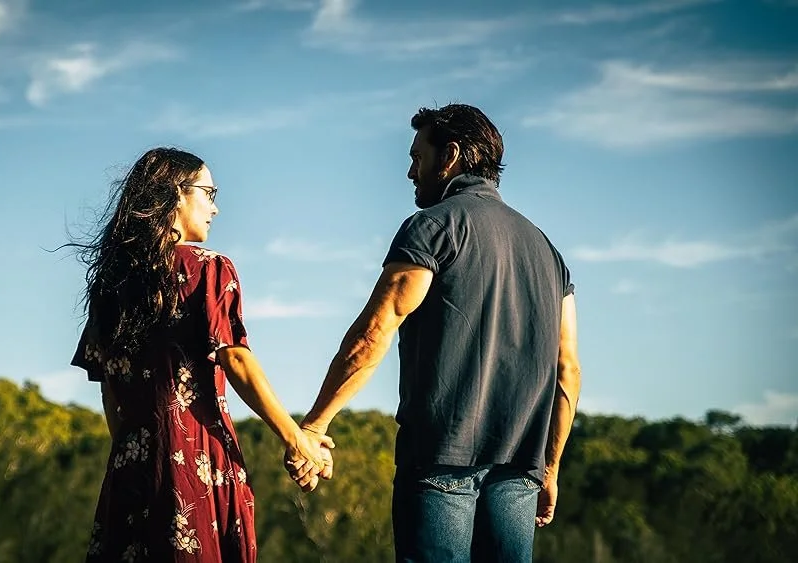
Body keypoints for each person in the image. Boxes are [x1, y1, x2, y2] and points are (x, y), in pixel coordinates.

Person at [288, 104, 582, 562]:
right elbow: (568, 371)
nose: (410, 172)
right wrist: (551, 468)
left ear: (450, 156)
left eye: (417, 157)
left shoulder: (433, 226)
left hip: (441, 460)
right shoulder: (548, 252)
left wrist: (314, 425)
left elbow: (375, 331)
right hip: (520, 470)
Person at [69, 147, 332, 563]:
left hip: (130, 472)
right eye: (209, 193)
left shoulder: (110, 285)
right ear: (177, 193)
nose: (215, 207)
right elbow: (236, 359)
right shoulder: (208, 268)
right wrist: (297, 441)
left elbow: (109, 392)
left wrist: (138, 455)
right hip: (197, 463)